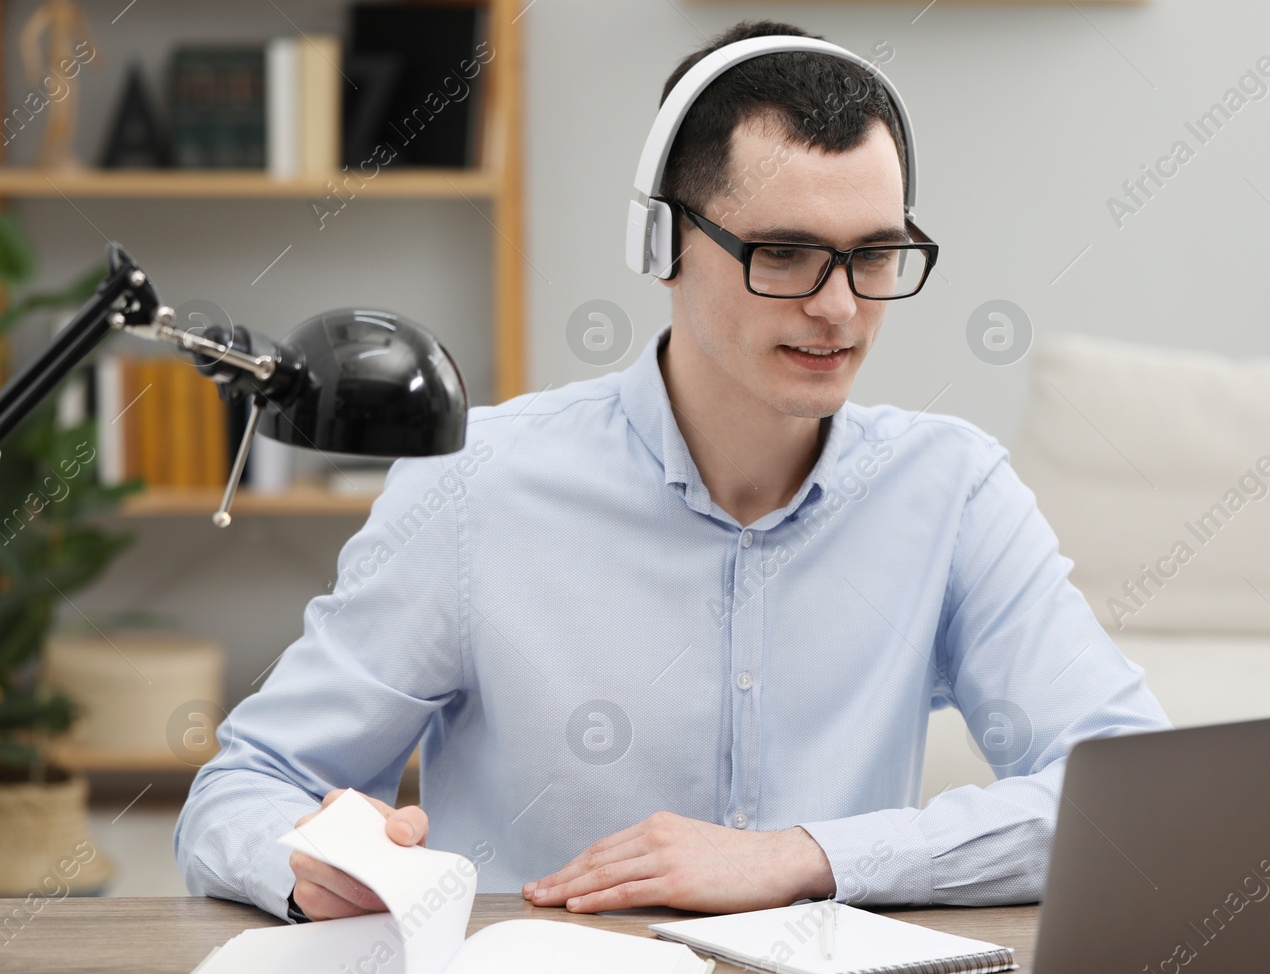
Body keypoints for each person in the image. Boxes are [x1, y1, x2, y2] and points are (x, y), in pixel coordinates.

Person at [174, 18, 1169, 924]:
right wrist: (307, 860)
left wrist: (801, 855)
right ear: (663, 243)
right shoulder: (475, 488)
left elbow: (1126, 790)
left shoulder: (949, 491)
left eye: (875, 253)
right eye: (784, 253)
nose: (839, 308)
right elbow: (247, 783)